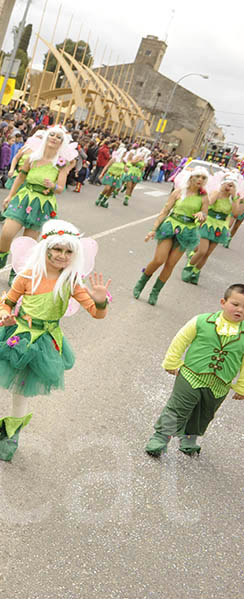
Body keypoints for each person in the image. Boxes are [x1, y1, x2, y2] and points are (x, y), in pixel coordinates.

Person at [0, 219, 111, 461]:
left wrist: (100, 300)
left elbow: (97, 313)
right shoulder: (28, 275)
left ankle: (11, 434)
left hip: (44, 344)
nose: (62, 256)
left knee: (21, 394)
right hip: (17, 336)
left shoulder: (70, 281)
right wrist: (5, 315)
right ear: (45, 248)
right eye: (57, 249)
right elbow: (7, 302)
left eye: (68, 252)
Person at [144, 283, 244, 457]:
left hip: (220, 384)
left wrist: (241, 386)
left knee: (204, 413)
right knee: (177, 408)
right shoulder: (202, 321)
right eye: (235, 304)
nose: (240, 310)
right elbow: (181, 339)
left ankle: (189, 438)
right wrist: (172, 361)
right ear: (223, 302)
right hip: (190, 375)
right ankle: (160, 437)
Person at [0, 126, 75, 280]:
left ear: (62, 143)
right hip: (24, 197)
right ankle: (0, 261)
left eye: (59, 137)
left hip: (42, 204)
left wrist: (53, 186)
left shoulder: (61, 164)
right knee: (7, 233)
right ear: (46, 137)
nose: (54, 138)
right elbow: (20, 178)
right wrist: (9, 196)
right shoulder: (32, 157)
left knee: (27, 243)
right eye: (52, 135)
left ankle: (16, 270)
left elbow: (61, 188)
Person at [132, 166, 209, 305]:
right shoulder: (179, 192)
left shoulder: (203, 197)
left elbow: (205, 216)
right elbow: (165, 211)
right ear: (191, 178)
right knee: (159, 260)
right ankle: (141, 283)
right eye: (198, 176)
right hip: (170, 227)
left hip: (187, 232)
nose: (200, 180)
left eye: (203, 178)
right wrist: (153, 229)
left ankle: (155, 292)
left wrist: (201, 215)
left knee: (170, 265)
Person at [181, 173, 243, 285]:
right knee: (202, 250)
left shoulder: (234, 199)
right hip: (208, 223)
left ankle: (196, 272)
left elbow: (235, 213)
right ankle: (189, 267)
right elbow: (209, 204)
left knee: (207, 253)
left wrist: (234, 197)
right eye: (228, 184)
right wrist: (220, 191)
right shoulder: (216, 193)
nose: (229, 187)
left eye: (232, 185)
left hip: (220, 227)